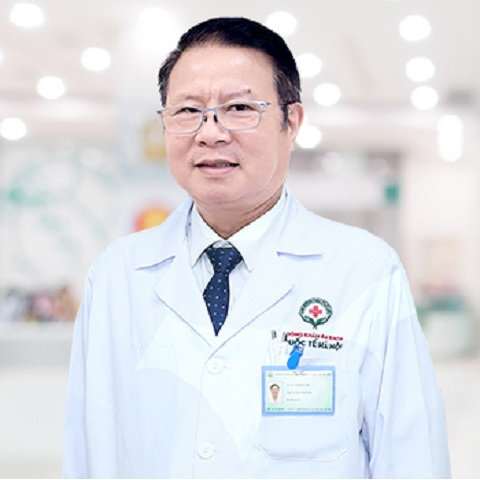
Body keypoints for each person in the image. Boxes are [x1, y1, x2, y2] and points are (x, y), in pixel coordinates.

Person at [63, 16, 450, 478]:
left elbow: (412, 456)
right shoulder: (116, 276)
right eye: (187, 111)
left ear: (292, 122)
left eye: (239, 108)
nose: (210, 133)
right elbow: (88, 448)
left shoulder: (364, 271)